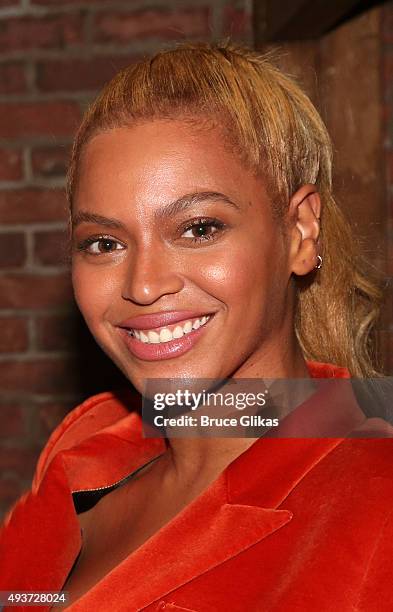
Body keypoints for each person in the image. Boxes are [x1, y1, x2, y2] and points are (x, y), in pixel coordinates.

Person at [0, 41, 392, 612]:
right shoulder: (85, 452)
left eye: (199, 228)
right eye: (104, 243)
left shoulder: (375, 503)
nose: (142, 283)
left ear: (300, 233)